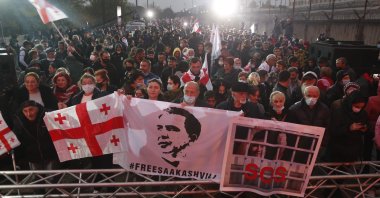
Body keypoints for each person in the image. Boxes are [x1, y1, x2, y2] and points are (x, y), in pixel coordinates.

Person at [286, 86, 330, 162]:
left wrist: (322, 145)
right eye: (309, 95)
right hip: (298, 147)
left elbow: (327, 128)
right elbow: (290, 131)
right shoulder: (294, 109)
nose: (312, 98)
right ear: (304, 95)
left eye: (315, 96)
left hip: (317, 146)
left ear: (318, 96)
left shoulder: (324, 109)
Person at [13, 100, 59, 170]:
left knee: (52, 179)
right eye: (25, 111)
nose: (28, 114)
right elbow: (15, 139)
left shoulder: (48, 116)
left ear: (37, 108)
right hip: (32, 157)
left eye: (31, 110)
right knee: (37, 178)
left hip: (51, 155)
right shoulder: (19, 121)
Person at [327, 90, 369, 162]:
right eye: (356, 106)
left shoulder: (363, 113)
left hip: (353, 150)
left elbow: (365, 126)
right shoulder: (338, 110)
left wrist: (364, 129)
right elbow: (333, 130)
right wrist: (349, 128)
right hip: (337, 150)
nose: (358, 109)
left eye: (361, 107)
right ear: (350, 103)